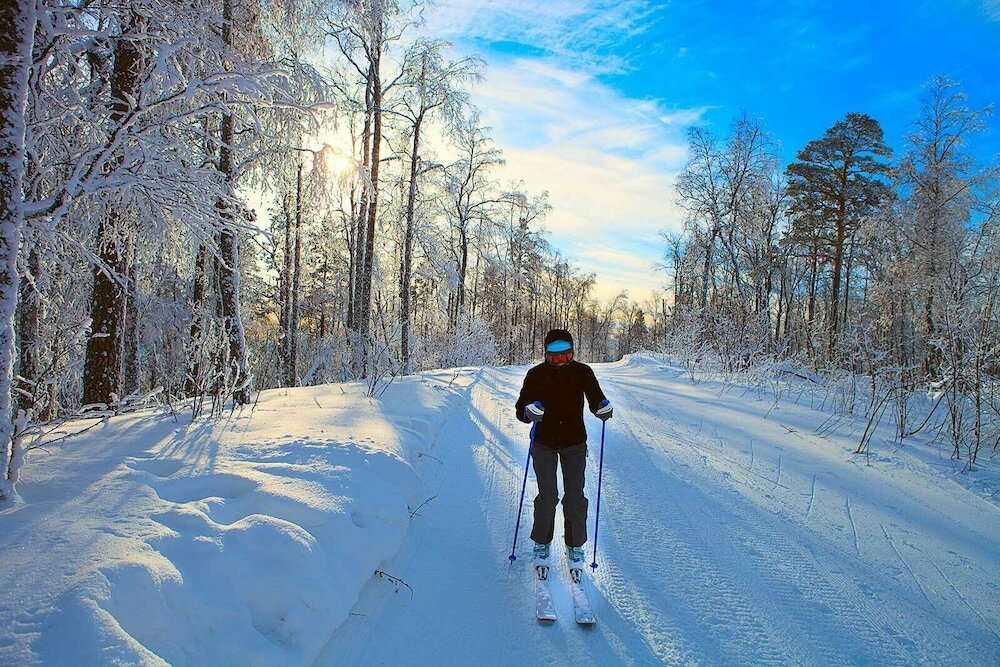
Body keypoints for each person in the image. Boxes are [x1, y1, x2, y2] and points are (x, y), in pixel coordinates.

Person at [514, 328, 613, 582]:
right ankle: (541, 542)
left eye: (565, 356)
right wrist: (529, 412)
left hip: (574, 444)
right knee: (548, 495)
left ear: (572, 353)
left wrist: (603, 408)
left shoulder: (583, 372)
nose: (560, 362)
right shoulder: (535, 374)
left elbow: (596, 400)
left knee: (575, 497)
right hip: (543, 443)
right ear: (546, 355)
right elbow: (520, 409)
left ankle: (575, 545)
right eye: (554, 357)